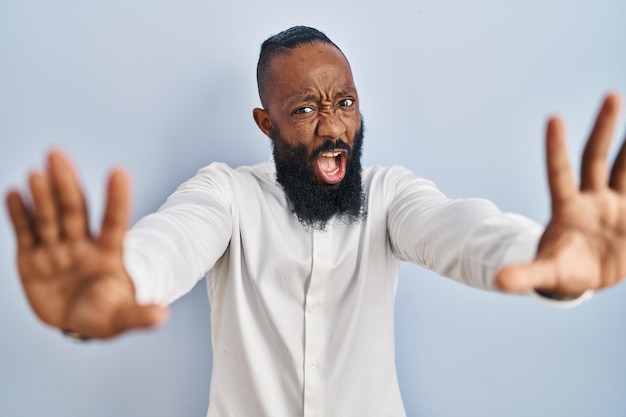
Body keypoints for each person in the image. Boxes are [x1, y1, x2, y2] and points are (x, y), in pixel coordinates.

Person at [4, 26, 626, 417]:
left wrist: (547, 264)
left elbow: (458, 228)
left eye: (345, 103)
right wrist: (119, 280)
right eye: (305, 109)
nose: (333, 127)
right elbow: (172, 240)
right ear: (266, 123)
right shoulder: (227, 195)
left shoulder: (390, 194)